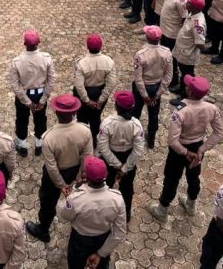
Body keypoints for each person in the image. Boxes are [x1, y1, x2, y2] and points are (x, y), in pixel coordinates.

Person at [148, 75, 223, 221]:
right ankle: (191, 204)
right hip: (197, 147)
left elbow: (172, 141)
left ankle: (162, 209)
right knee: (194, 177)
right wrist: (202, 149)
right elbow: (219, 132)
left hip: (179, 150)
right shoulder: (211, 108)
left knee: (171, 179)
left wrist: (185, 152)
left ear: (189, 92)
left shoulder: (181, 111)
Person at [25, 94, 93, 243]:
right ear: (74, 112)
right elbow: (87, 157)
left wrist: (62, 185)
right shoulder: (85, 131)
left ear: (56, 112)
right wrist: (80, 177)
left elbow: (52, 167)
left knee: (48, 201)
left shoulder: (49, 137)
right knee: (80, 200)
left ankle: (44, 230)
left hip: (56, 176)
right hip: (76, 170)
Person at [58, 157, 127, 269]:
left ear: (86, 177)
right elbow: (119, 234)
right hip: (103, 239)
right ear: (106, 175)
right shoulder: (117, 199)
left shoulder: (75, 199)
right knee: (101, 265)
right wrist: (100, 254)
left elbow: (64, 216)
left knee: (75, 264)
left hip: (80, 240)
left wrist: (74, 190)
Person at [96, 91, 145, 222]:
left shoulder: (107, 123)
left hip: (109, 159)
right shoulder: (136, 124)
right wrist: (125, 168)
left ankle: (104, 212)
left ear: (116, 106)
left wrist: (117, 165)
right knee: (127, 189)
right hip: (128, 158)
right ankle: (126, 213)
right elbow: (138, 150)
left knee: (106, 186)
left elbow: (103, 148)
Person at [9, 30, 56, 157]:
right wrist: (43, 99)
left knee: (21, 120)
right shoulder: (46, 58)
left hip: (24, 95)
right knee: (41, 120)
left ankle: (23, 146)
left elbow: (15, 84)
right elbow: (51, 80)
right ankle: (39, 146)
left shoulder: (17, 61)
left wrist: (27, 102)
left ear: (25, 44)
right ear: (38, 43)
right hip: (40, 94)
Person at [131, 25, 173, 148]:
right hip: (156, 87)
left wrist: (145, 95)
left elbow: (138, 78)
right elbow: (168, 76)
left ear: (147, 37)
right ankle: (151, 140)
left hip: (141, 88)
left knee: (136, 111)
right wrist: (158, 94)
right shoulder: (166, 53)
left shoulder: (141, 54)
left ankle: (133, 136)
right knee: (154, 114)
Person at [73, 34, 117, 145]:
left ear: (87, 47)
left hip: (85, 92)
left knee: (82, 118)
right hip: (99, 92)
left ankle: (83, 141)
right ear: (101, 46)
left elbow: (79, 85)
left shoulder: (81, 63)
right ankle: (94, 140)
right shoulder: (108, 61)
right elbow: (111, 83)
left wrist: (87, 100)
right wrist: (101, 99)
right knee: (96, 116)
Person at [171, 0, 208, 104]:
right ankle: (181, 87)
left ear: (195, 7)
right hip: (182, 51)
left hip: (188, 54)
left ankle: (185, 97)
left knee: (187, 75)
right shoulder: (192, 14)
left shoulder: (198, 23)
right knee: (183, 72)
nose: (186, 4)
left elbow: (200, 42)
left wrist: (204, 50)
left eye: (189, 3)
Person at [159, 0, 188, 93]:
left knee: (172, 58)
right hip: (164, 30)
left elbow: (184, 17)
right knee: (165, 55)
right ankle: (165, 74)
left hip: (172, 33)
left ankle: (174, 79)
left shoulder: (181, 0)